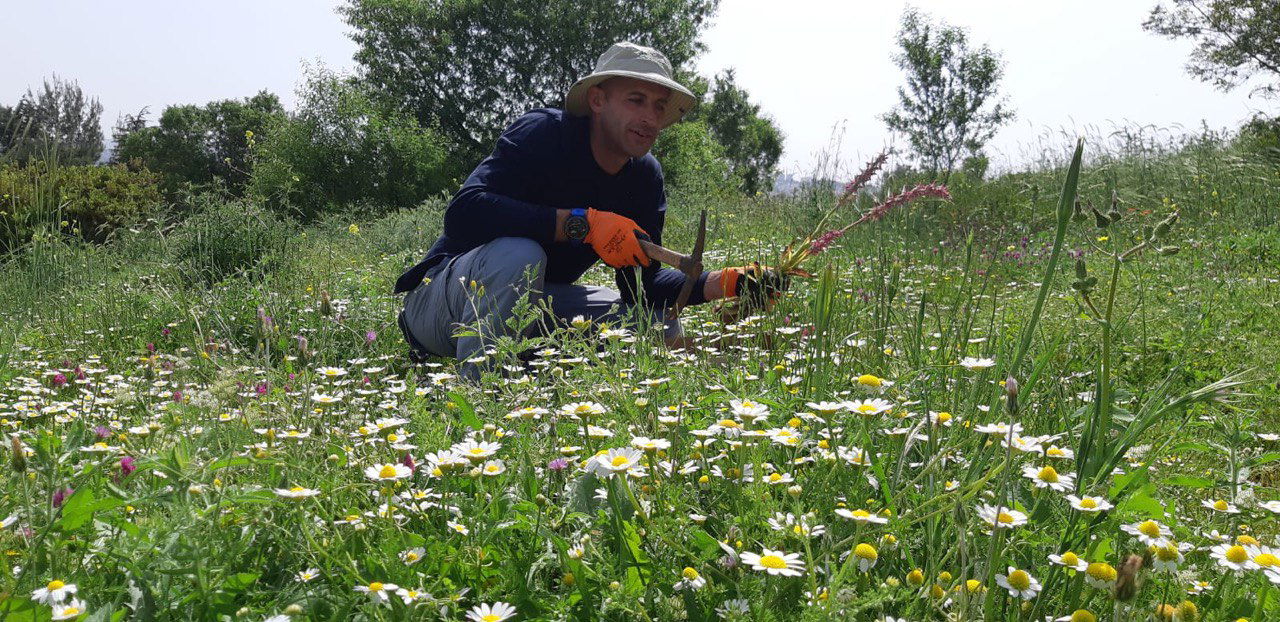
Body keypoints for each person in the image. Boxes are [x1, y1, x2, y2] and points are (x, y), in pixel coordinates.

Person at [394, 41, 786, 379]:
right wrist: (580, 224)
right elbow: (463, 213)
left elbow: (644, 286)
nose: (650, 118)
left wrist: (722, 284)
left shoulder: (644, 178)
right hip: (440, 304)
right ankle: (481, 406)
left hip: (536, 301)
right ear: (597, 100)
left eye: (659, 106)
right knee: (520, 255)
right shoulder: (544, 135)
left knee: (650, 321)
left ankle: (533, 372)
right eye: (636, 100)